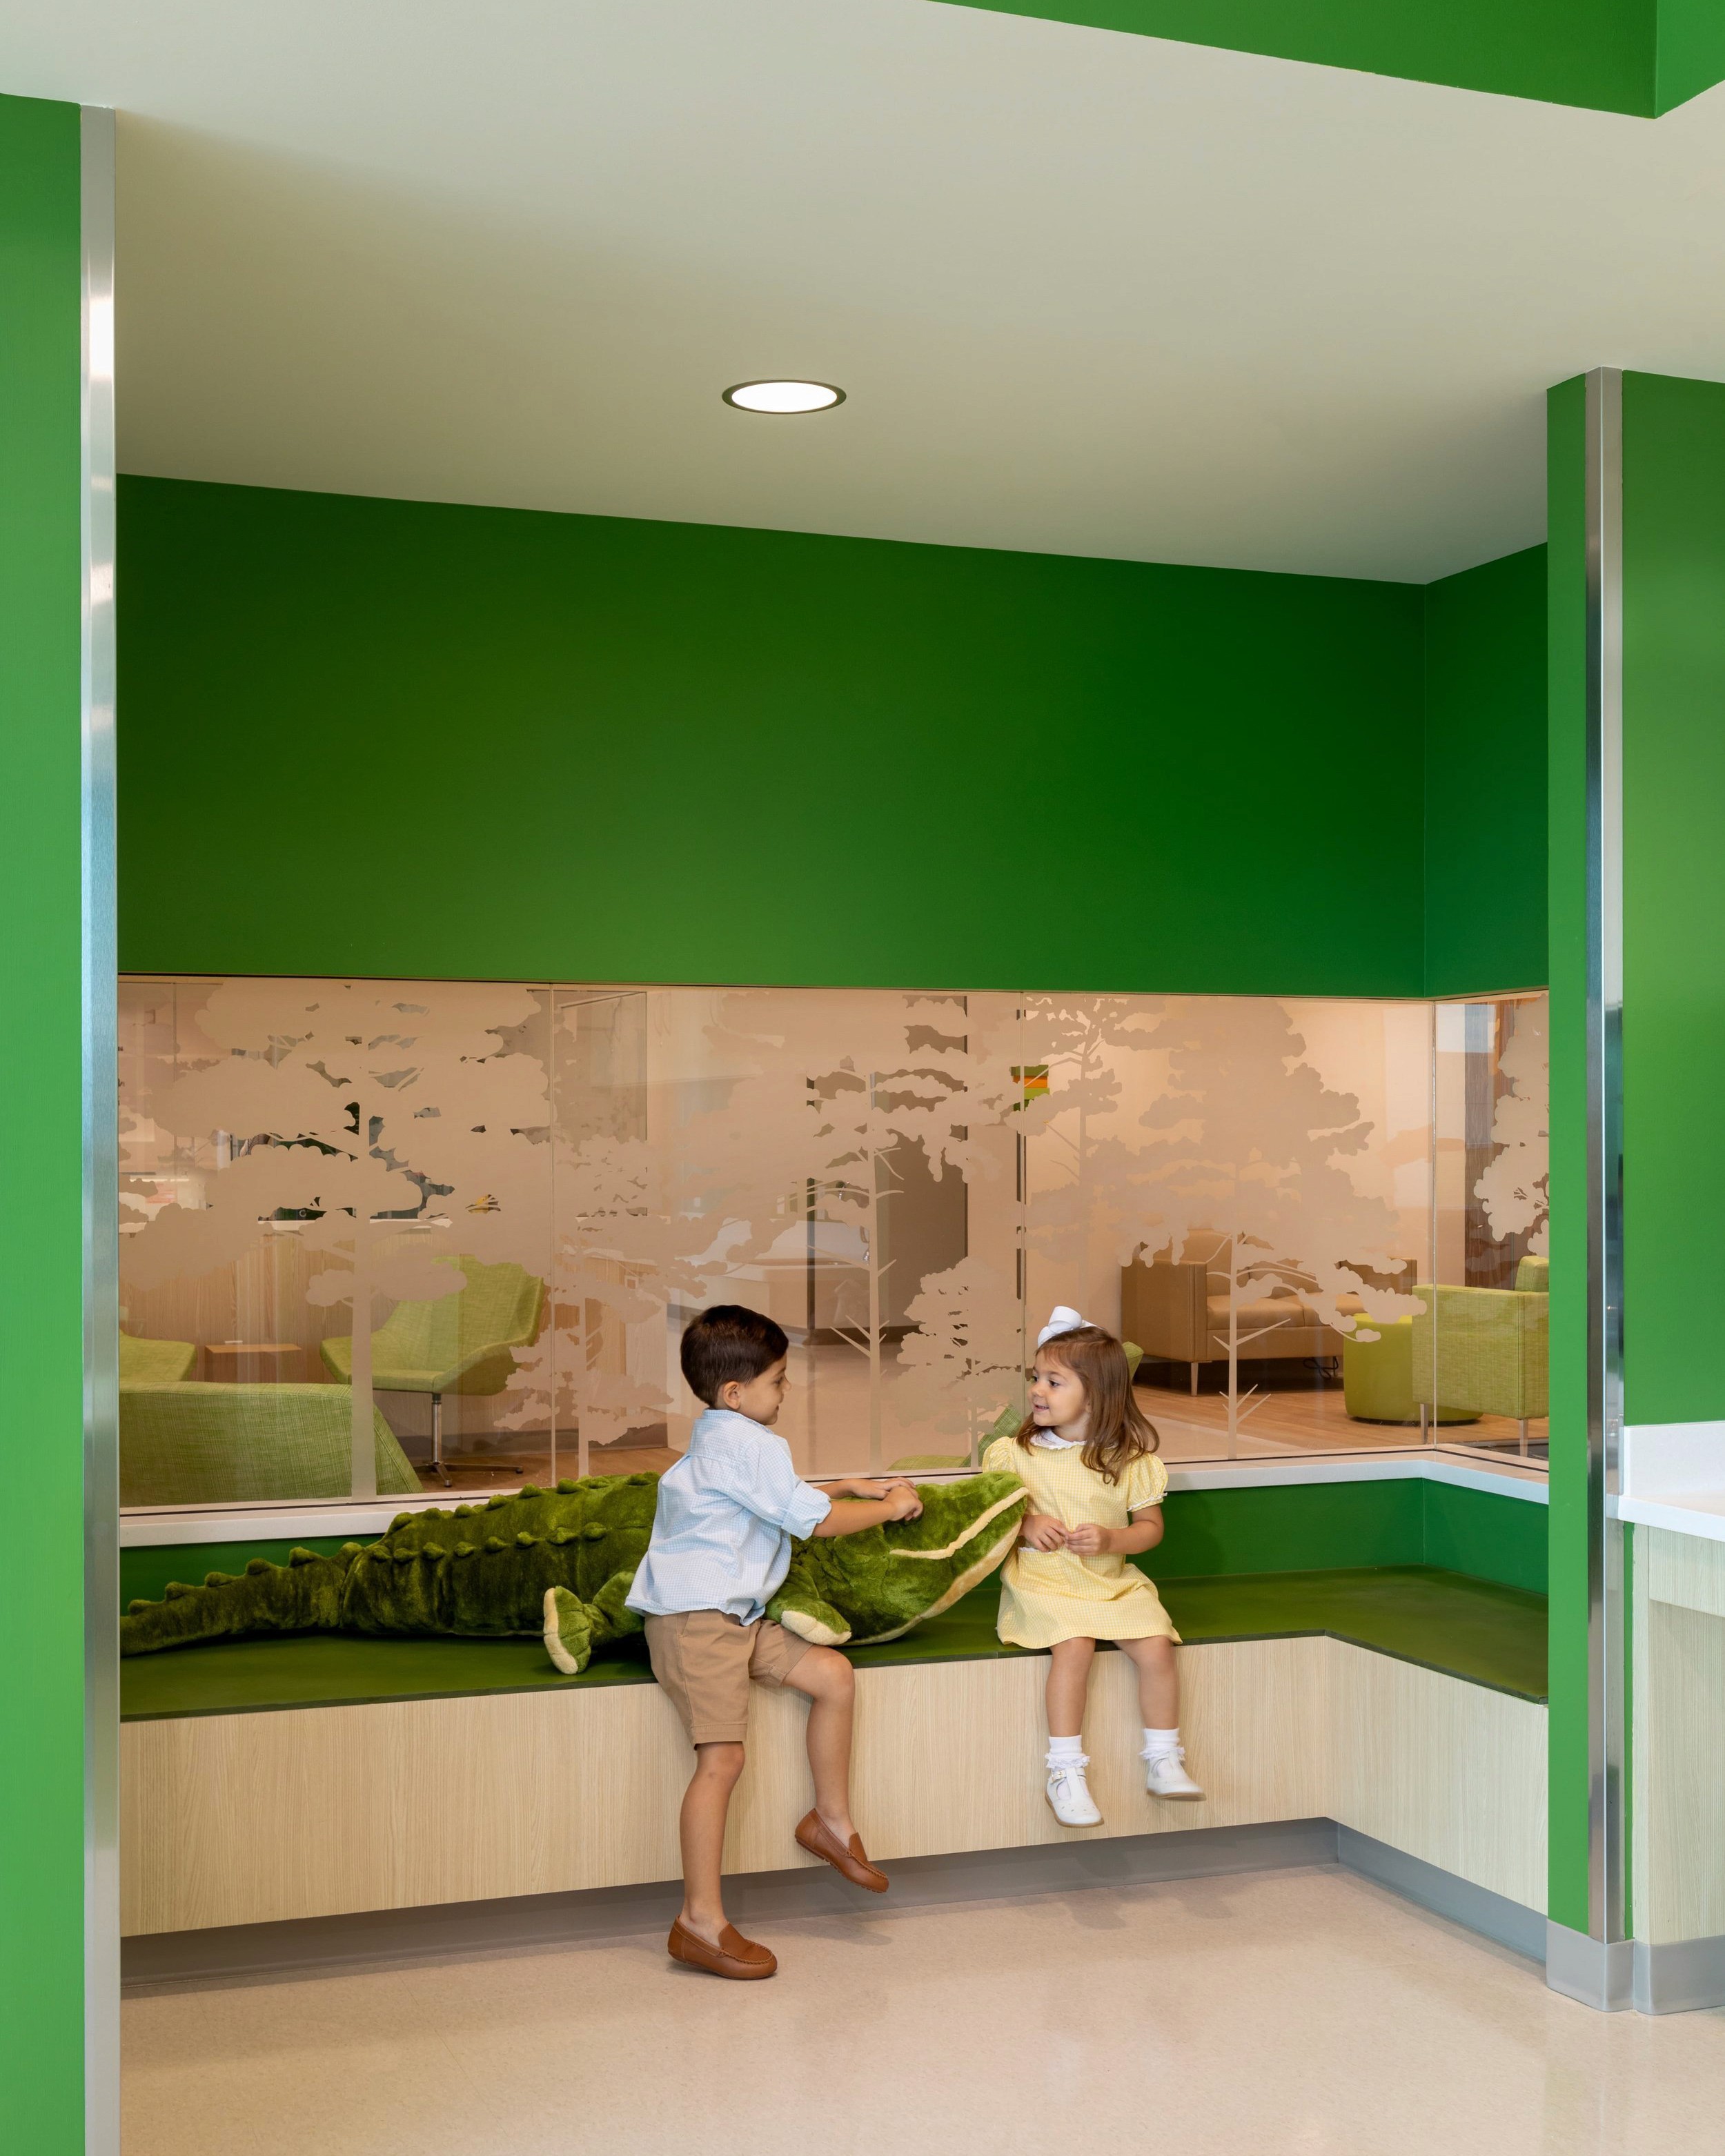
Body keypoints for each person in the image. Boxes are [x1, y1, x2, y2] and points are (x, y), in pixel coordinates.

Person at [627, 1303, 925, 1981]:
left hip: (730, 1615)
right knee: (722, 1760)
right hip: (697, 1621)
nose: (786, 1391)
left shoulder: (719, 1436)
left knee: (832, 1675)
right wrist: (887, 1506)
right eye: (779, 1380)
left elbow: (771, 1498)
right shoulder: (752, 1443)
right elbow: (811, 1522)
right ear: (736, 1392)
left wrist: (844, 1485)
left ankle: (830, 1822)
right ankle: (699, 1921)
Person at [982, 1306, 1205, 1826]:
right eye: (1036, 1377)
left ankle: (1164, 1757)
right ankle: (1064, 1771)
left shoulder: (1131, 1461)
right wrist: (1025, 1524)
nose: (1037, 1390)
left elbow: (1149, 1529)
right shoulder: (1014, 1455)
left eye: (1053, 1381)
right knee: (1075, 1645)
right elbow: (988, 1516)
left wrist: (1111, 1538)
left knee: (1156, 1644)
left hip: (1110, 1581)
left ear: (1096, 1395)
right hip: (1044, 1581)